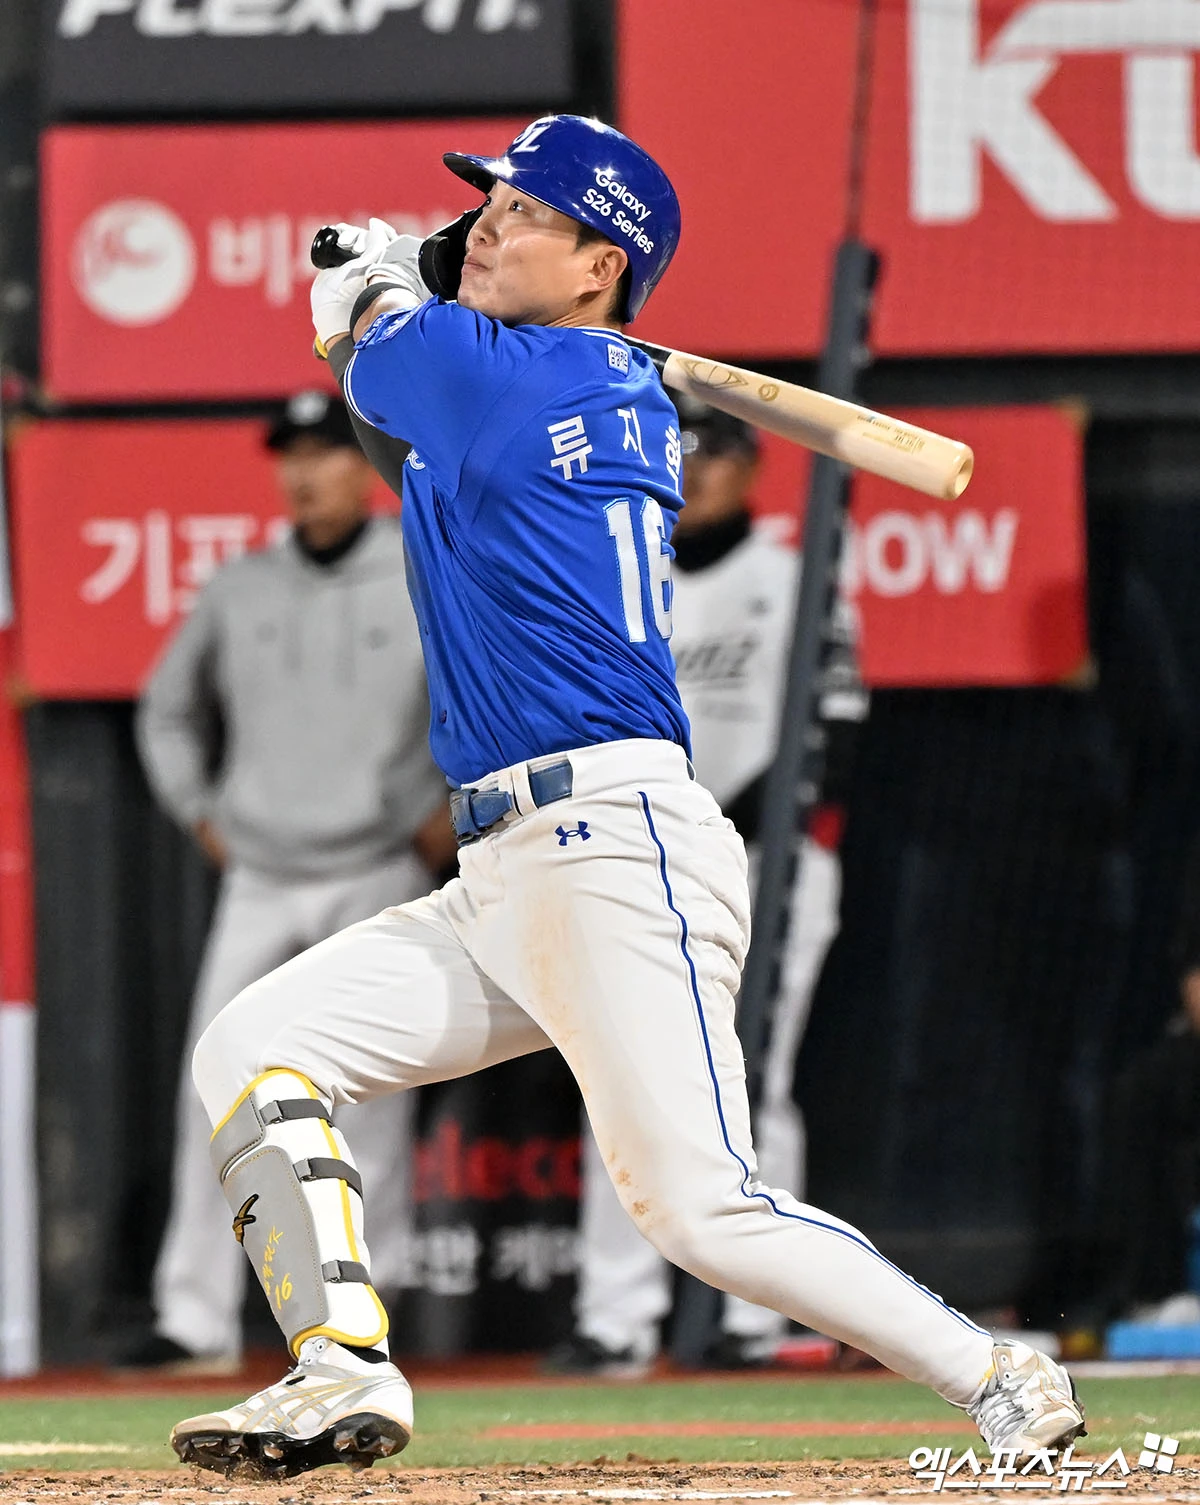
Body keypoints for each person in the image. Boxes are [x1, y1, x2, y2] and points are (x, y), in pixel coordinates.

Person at [168, 115, 1084, 1479]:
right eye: (486, 205)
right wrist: (377, 311)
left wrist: (374, 286)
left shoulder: (530, 378)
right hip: (507, 869)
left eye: (523, 213)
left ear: (604, 265)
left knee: (700, 1210)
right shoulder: (541, 387)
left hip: (609, 844)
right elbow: (393, 415)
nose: (488, 225)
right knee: (253, 1045)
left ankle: (1001, 1373)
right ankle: (340, 1364)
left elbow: (387, 351)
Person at [128, 392, 453, 1371]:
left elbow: (487, 694)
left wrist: (448, 807)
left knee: (372, 1098)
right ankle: (192, 1316)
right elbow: (165, 710)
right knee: (215, 1085)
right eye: (291, 454)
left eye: (327, 451)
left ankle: (369, 1314)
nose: (305, 472)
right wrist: (200, 808)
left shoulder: (421, 571)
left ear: (367, 464)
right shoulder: (240, 587)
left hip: (379, 862)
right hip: (263, 872)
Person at [547, 399, 846, 1376]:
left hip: (768, 859)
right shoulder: (618, 575)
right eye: (679, 448)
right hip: (638, 854)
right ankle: (615, 1316)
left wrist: (713, 811)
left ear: (751, 465)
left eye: (712, 449)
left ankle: (754, 1316)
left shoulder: (797, 579)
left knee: (756, 1077)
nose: (694, 466)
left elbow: (837, 735)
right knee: (623, 1073)